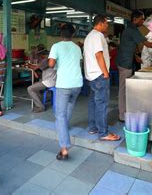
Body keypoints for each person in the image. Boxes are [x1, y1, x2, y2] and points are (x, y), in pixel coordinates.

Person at [116, 10, 152, 122]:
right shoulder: (132, 30)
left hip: (126, 60)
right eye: (141, 19)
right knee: (123, 90)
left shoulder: (130, 29)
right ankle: (122, 115)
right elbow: (147, 43)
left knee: (126, 89)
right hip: (124, 63)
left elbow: (129, 45)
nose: (143, 21)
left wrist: (135, 56)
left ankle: (125, 111)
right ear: (134, 19)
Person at [48, 24, 83, 160]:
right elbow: (77, 63)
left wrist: (56, 63)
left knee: (60, 115)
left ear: (61, 34)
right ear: (73, 35)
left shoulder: (56, 46)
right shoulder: (77, 48)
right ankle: (64, 128)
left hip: (64, 84)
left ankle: (64, 148)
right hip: (77, 84)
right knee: (69, 106)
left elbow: (51, 64)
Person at [84, 15, 121, 141]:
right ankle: (103, 133)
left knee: (93, 102)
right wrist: (105, 72)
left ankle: (93, 127)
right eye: (106, 24)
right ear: (101, 23)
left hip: (91, 75)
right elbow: (98, 55)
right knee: (102, 103)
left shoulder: (89, 36)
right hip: (99, 75)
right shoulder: (98, 36)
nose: (107, 26)